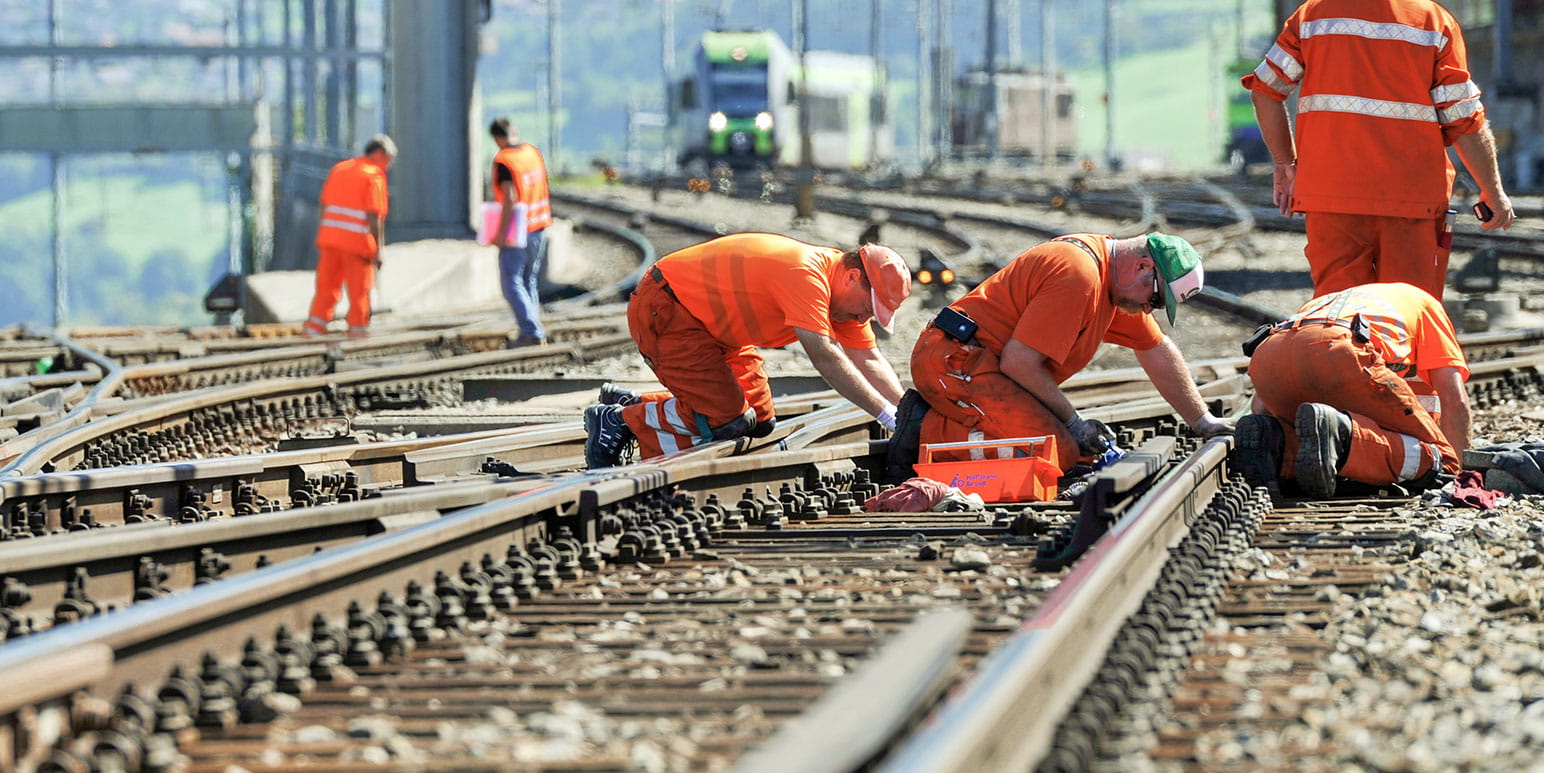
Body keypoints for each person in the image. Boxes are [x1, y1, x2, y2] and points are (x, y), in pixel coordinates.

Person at [1242, 0, 1515, 298]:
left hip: (1330, 198)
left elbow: (1265, 90)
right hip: (1412, 202)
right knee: (1404, 312)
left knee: (1338, 314)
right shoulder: (1434, 24)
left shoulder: (1314, 15)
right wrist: (1493, 191)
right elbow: (1464, 120)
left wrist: (1286, 165)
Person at [904, 232, 1232, 473]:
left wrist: (1202, 420)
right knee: (1054, 453)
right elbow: (1020, 363)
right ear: (1142, 266)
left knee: (1080, 452)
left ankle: (956, 423)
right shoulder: (1079, 277)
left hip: (983, 367)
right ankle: (922, 432)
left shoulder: (1112, 286)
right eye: (1156, 299)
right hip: (954, 363)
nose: (1149, 309)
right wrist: (1073, 423)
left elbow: (1156, 349)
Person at [582, 234, 912, 468]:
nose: (863, 320)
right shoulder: (806, 275)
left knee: (760, 419)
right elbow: (825, 356)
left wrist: (907, 413)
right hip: (669, 309)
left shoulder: (842, 299)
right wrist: (884, 414)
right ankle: (620, 420)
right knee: (727, 420)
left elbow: (868, 357)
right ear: (852, 278)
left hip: (717, 330)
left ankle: (638, 403)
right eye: (867, 309)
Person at [1234, 282, 1470, 498]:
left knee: (1305, 432)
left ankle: (1275, 442)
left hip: (1268, 354)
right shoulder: (1427, 305)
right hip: (1341, 348)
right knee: (1442, 462)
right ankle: (1342, 435)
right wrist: (1459, 472)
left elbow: (1261, 405)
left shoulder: (1326, 301)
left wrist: (1270, 423)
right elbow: (1455, 399)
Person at [303, 135, 396, 338]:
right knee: (359, 292)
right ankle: (357, 334)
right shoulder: (374, 176)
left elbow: (323, 205)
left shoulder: (340, 169)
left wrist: (333, 231)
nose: (389, 166)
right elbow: (374, 216)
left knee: (326, 288)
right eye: (389, 159)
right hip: (356, 245)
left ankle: (314, 331)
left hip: (330, 240)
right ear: (379, 154)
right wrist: (378, 250)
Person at [488, 117, 552, 347]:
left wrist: (501, 233)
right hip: (539, 226)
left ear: (497, 138)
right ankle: (534, 329)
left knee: (511, 283)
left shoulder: (504, 161)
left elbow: (510, 198)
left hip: (518, 232)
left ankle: (532, 332)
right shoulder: (532, 153)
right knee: (528, 280)